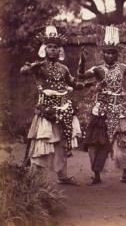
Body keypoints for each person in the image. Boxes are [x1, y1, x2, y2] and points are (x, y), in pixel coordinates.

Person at [21, 25, 90, 185]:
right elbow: (23, 71)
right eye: (50, 47)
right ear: (45, 49)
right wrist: (31, 67)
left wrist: (89, 83)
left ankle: (63, 176)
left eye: (56, 48)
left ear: (60, 50)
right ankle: (32, 178)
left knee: (62, 143)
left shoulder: (63, 68)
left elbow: (74, 83)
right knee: (43, 143)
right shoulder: (39, 66)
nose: (53, 50)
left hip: (64, 108)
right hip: (46, 110)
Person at [77, 26, 126, 185]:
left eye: (113, 52)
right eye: (107, 52)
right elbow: (80, 75)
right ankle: (97, 176)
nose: (110, 55)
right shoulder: (97, 69)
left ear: (117, 53)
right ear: (103, 53)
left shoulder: (123, 68)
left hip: (121, 109)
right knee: (96, 143)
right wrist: (83, 61)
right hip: (102, 110)